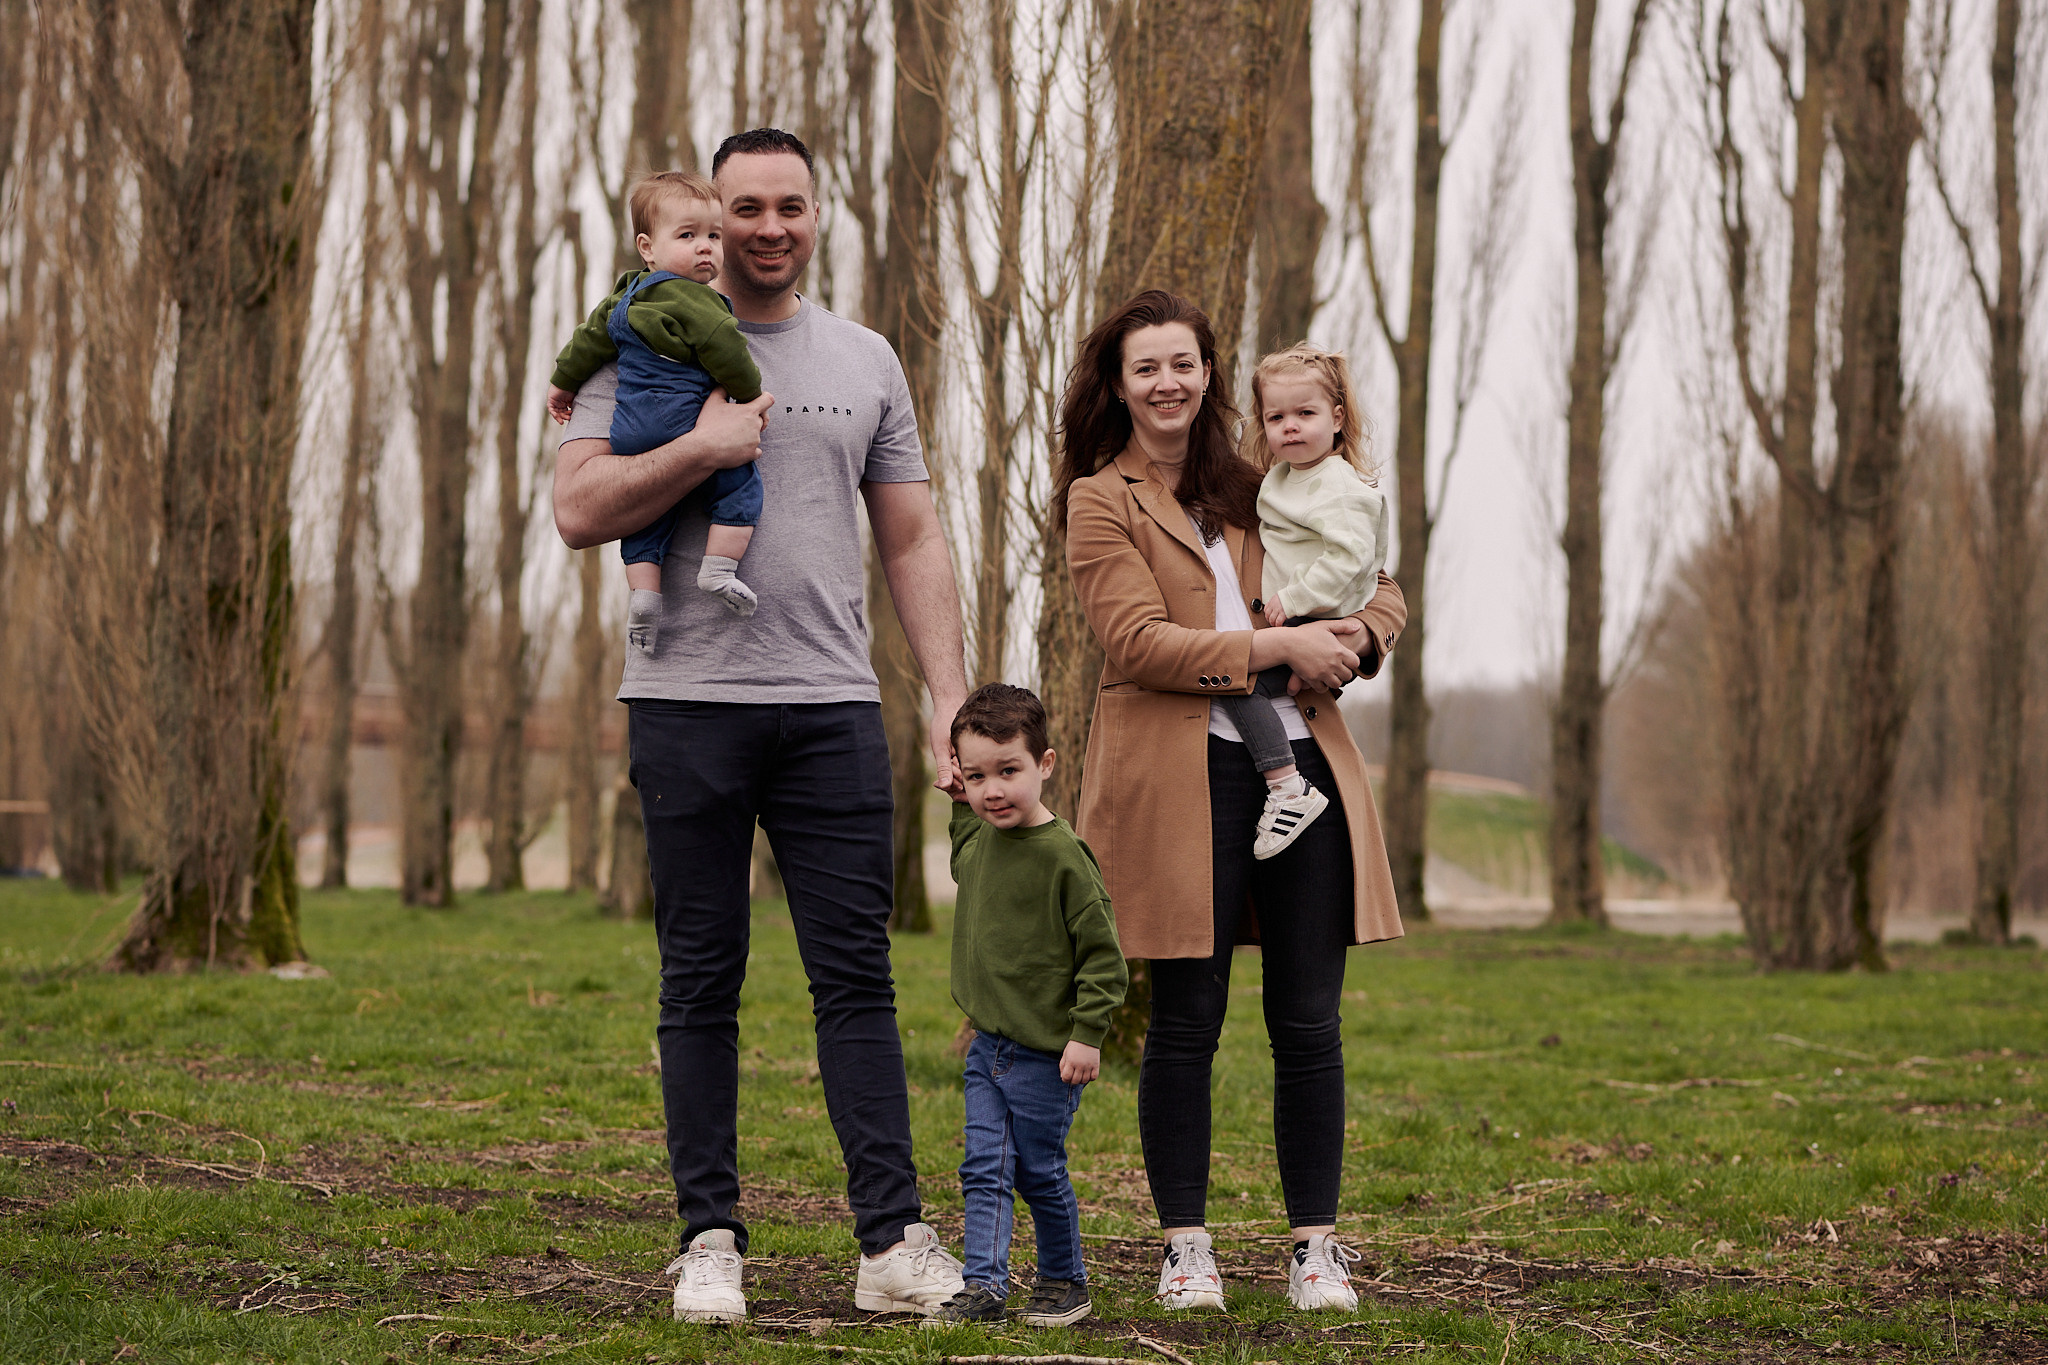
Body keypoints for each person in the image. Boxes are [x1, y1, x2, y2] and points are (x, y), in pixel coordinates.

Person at [550, 128, 970, 1323]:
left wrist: (946, 695)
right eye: (745, 207)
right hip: (685, 706)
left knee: (858, 981)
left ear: (815, 214)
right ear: (708, 219)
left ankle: (889, 1243)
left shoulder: (865, 357)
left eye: (790, 204)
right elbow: (578, 508)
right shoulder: (633, 333)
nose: (768, 226)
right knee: (700, 981)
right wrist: (700, 446)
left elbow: (912, 537)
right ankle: (710, 1239)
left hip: (834, 707)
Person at [1053, 290, 1407, 1315]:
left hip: (1306, 766)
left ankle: (1313, 1247)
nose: (1166, 383)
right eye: (1144, 368)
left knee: (1308, 1021)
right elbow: (1138, 645)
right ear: (1117, 385)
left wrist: (1356, 640)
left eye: (1183, 363)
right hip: (1177, 781)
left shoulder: (1263, 482)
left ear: (1207, 374)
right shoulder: (1098, 499)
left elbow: (1377, 581)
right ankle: (1185, 1247)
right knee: (1186, 1022)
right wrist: (1275, 646)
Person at [928, 684, 1127, 1329]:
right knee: (983, 1166)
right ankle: (983, 1284)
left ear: (1044, 763)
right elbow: (963, 839)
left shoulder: (1065, 858)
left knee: (1038, 1171)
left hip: (1048, 1054)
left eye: (1009, 772)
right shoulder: (980, 839)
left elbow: (1104, 959)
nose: (993, 791)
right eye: (978, 775)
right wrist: (958, 800)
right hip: (988, 1046)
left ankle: (1064, 1280)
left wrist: (1087, 1035)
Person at [547, 170, 767, 651]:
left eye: (713, 235)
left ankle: (644, 594)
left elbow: (586, 342)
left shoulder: (623, 297)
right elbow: (725, 351)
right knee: (740, 483)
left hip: (629, 433)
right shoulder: (701, 302)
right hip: (681, 420)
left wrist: (562, 384)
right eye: (688, 236)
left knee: (648, 514)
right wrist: (747, 396)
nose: (705, 247)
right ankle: (719, 568)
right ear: (648, 246)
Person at [1214, 344, 1388, 860]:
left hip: (1319, 615)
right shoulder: (1285, 479)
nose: (1290, 426)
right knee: (1250, 681)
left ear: (1337, 420)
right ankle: (1287, 781)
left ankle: (1288, 787)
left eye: (1305, 414)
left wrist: (1293, 598)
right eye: (1276, 417)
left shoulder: (1335, 485)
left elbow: (1353, 558)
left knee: (1239, 682)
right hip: (1301, 622)